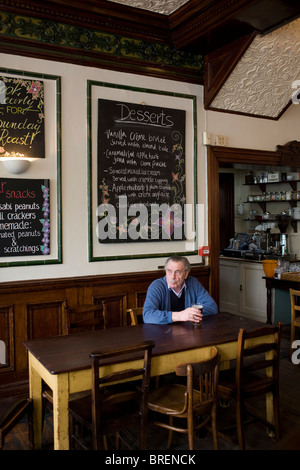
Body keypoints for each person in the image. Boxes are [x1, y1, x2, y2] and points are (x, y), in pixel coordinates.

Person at [143, 255, 218, 324]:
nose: (172, 276)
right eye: (169, 271)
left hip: (189, 333)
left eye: (177, 272)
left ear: (186, 274)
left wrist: (191, 314)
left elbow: (212, 307)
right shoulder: (157, 286)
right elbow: (147, 315)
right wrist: (179, 316)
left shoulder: (193, 283)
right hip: (163, 334)